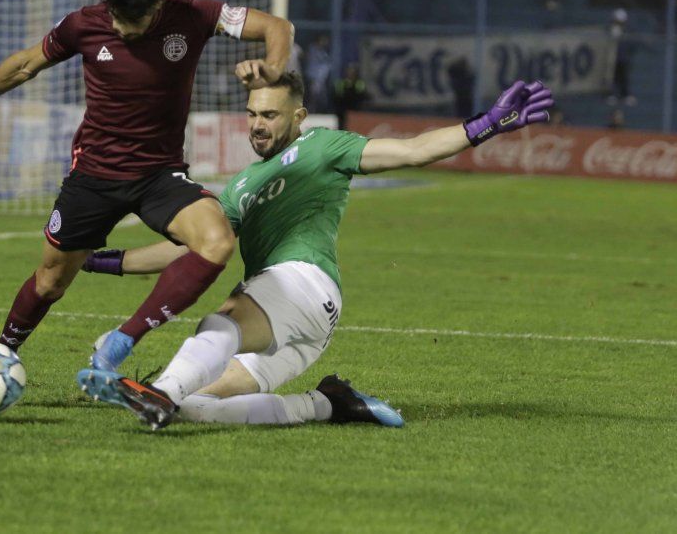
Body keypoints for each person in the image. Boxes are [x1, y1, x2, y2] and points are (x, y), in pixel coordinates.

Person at [77, 74, 554, 430]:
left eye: (271, 115)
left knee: (219, 324)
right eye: (252, 114)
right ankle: (330, 403)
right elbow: (185, 251)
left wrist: (486, 125)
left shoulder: (324, 147)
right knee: (196, 408)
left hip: (301, 284)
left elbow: (412, 151)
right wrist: (103, 261)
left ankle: (158, 391)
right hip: (303, 325)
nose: (258, 125)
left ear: (298, 117)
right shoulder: (240, 185)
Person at [0, 0, 294, 372]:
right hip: (94, 175)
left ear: (158, 5)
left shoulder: (194, 15)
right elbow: (26, 64)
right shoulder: (84, 24)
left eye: (130, 20)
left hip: (160, 175)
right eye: (115, 16)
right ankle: (2, 353)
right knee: (49, 281)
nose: (119, 27)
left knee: (216, 242)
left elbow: (276, 26)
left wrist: (273, 70)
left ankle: (121, 341)